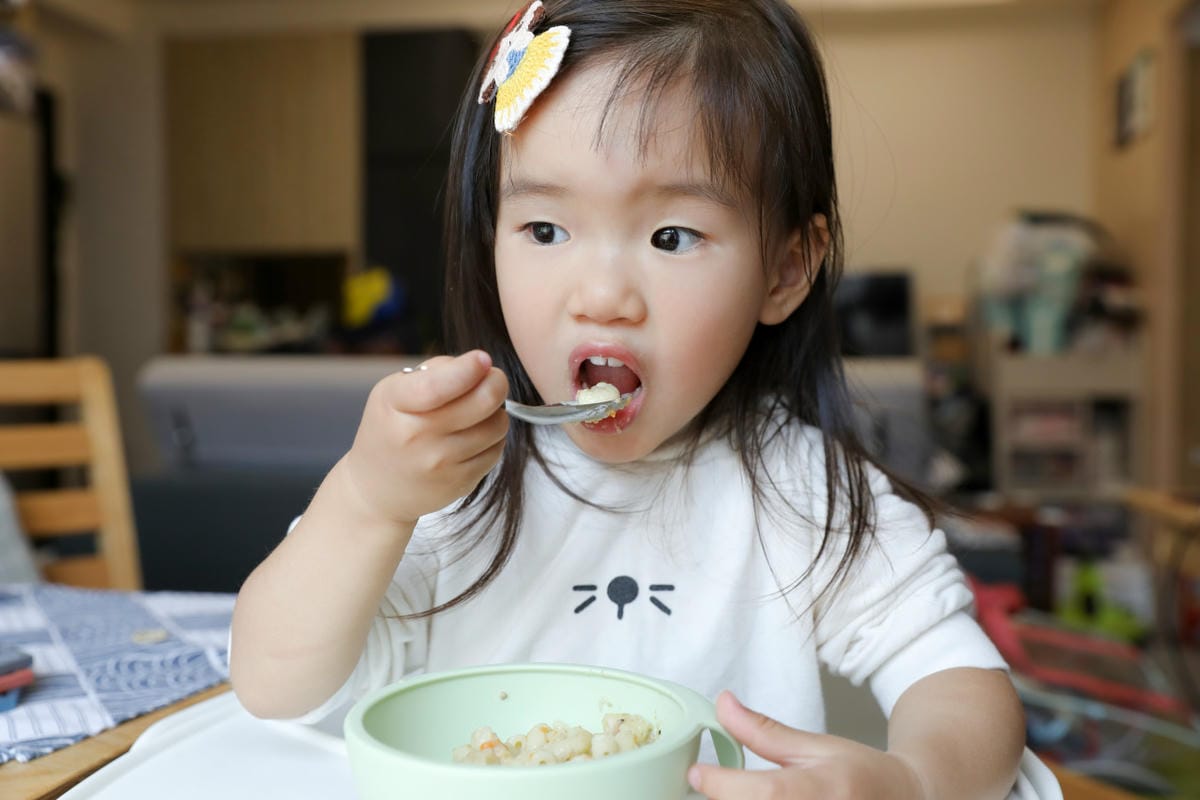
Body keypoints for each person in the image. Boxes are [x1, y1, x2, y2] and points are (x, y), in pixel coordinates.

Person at [231, 1, 1051, 796]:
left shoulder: (802, 493)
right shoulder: (450, 485)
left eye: (671, 237)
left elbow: (963, 686)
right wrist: (370, 500)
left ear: (786, 267)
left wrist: (914, 779)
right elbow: (275, 685)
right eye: (545, 230)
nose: (601, 296)